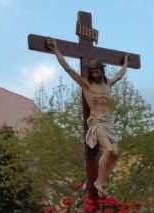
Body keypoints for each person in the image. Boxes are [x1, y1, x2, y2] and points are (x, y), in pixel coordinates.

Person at [47, 39, 129, 197]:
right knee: (109, 149)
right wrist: (56, 50)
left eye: (98, 71)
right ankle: (99, 182)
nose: (95, 73)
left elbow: (119, 75)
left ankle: (102, 180)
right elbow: (68, 68)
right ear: (90, 73)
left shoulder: (107, 85)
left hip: (109, 123)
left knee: (116, 154)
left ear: (102, 71)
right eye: (93, 71)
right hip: (97, 122)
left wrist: (125, 62)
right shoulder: (86, 85)